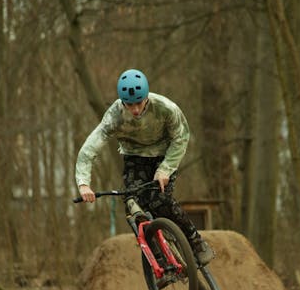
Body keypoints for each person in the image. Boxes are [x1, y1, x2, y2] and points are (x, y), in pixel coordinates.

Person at [75, 68, 214, 266]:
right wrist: (83, 184)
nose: (136, 110)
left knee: (160, 201)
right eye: (130, 105)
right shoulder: (114, 116)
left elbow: (181, 137)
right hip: (135, 158)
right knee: (133, 206)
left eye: (139, 103)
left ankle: (195, 241)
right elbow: (89, 149)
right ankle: (159, 260)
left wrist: (166, 168)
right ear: (123, 102)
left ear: (147, 97)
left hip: (164, 155)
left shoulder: (166, 108)